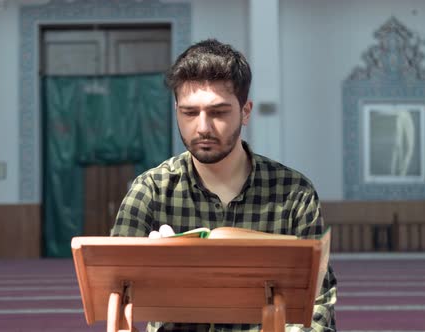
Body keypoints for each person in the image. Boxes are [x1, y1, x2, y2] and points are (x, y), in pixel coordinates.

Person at [111, 39, 337, 332]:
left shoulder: (294, 194)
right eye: (189, 113)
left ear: (245, 111)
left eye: (218, 112)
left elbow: (319, 304)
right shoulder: (150, 191)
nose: (203, 127)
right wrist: (153, 271)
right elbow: (114, 295)